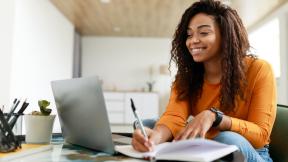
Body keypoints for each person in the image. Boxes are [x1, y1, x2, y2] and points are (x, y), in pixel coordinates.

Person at [132, 0, 276, 162]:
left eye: (204, 33)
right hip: (206, 149)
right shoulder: (186, 76)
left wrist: (217, 118)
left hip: (250, 153)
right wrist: (153, 139)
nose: (193, 41)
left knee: (228, 139)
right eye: (189, 34)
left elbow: (261, 137)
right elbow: (174, 116)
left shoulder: (259, 69)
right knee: (148, 124)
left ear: (226, 35)